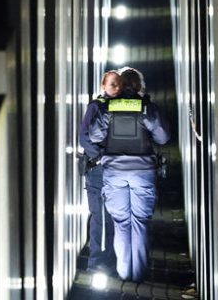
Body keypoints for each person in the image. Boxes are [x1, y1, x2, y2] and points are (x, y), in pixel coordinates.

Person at [89, 69, 169, 282]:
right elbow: (162, 137)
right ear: (139, 87)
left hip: (114, 172)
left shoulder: (108, 107)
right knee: (140, 223)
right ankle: (138, 275)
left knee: (121, 223)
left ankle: (124, 274)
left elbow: (95, 135)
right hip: (143, 172)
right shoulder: (146, 108)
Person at [78, 70, 121, 274]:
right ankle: (96, 262)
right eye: (112, 84)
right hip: (98, 169)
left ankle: (109, 260)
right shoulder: (95, 107)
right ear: (103, 86)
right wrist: (99, 156)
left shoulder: (124, 107)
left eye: (119, 84)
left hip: (115, 169)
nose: (116, 88)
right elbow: (84, 136)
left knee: (112, 217)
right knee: (99, 217)